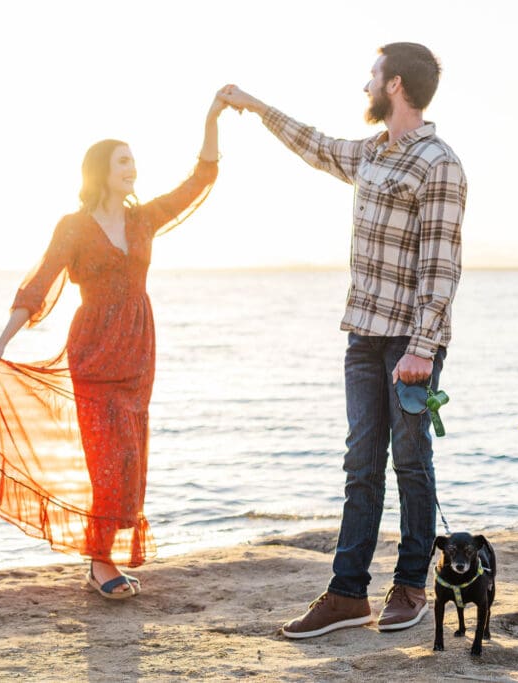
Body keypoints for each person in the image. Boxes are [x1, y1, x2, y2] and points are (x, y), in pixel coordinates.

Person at [219, 42, 466, 636]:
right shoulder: (372, 154)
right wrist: (254, 105)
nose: (365, 87)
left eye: (373, 76)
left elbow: (442, 267)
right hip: (362, 335)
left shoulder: (438, 163)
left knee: (411, 462)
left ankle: (410, 587)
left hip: (410, 343)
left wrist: (422, 349)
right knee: (361, 463)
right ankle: (348, 594)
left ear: (396, 86)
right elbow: (316, 145)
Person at [0, 93, 227, 599]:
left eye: (133, 160)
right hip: (93, 351)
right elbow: (39, 285)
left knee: (128, 460)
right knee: (104, 460)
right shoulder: (74, 227)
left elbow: (200, 181)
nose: (133, 168)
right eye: (123, 160)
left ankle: (101, 554)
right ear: (101, 170)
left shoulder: (142, 219)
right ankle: (99, 561)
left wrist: (211, 119)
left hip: (138, 350)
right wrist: (1, 341)